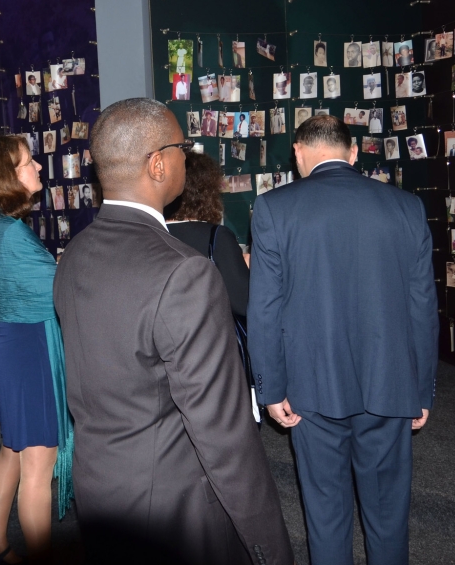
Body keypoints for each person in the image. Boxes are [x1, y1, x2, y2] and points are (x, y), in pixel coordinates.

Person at [54, 98, 292, 565]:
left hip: (100, 492)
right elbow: (224, 437)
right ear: (159, 164)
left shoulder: (74, 256)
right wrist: (271, 548)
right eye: (182, 146)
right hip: (175, 512)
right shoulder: (185, 273)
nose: (188, 155)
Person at [250, 114, 437, 565]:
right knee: (389, 515)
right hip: (390, 384)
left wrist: (270, 388)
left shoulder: (274, 208)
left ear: (298, 154)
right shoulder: (406, 206)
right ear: (353, 153)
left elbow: (265, 310)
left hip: (311, 386)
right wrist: (423, 387)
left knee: (325, 512)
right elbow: (422, 307)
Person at [0, 135, 72, 565]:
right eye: (30, 163)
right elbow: (59, 292)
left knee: (15, 448)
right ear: (8, 176)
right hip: (31, 347)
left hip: (11, 342)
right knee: (38, 465)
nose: (39, 169)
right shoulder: (11, 234)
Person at [165, 152, 250, 318]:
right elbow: (243, 302)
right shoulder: (217, 237)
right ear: (207, 194)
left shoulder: (149, 232)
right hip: (207, 338)